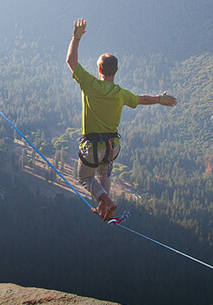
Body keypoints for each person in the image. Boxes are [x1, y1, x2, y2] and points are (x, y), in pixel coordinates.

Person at [66, 18, 177, 222]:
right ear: (115, 71)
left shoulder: (90, 85)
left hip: (93, 146)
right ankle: (106, 208)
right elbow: (141, 99)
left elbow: (71, 61)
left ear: (99, 70)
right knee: (104, 174)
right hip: (112, 146)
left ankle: (105, 201)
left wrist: (76, 37)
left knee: (84, 177)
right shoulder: (120, 93)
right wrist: (160, 99)